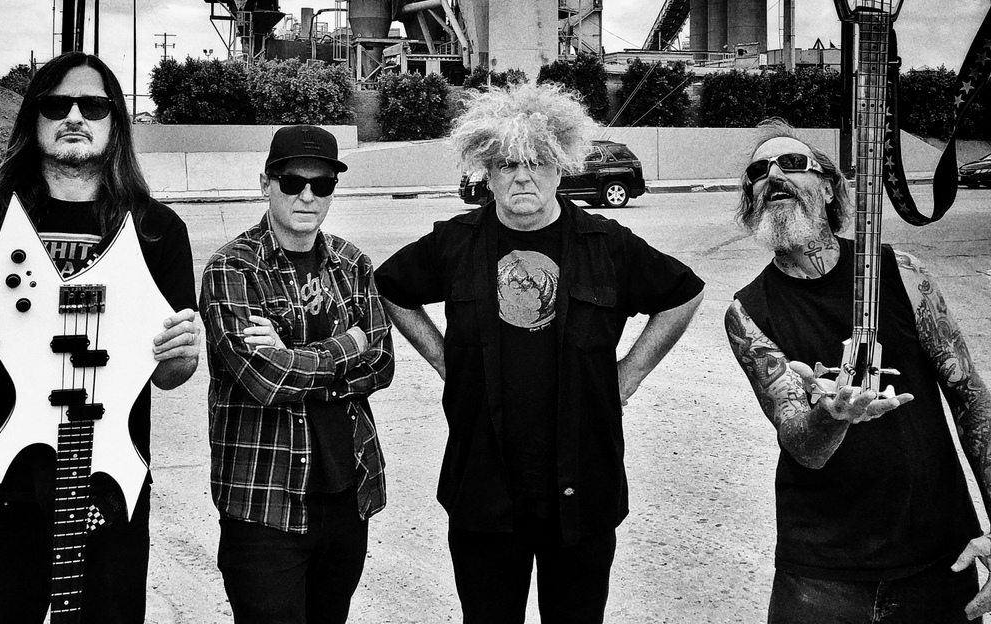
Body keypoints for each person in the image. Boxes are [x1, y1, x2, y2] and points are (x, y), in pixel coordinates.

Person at [375, 82, 704, 624]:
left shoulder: (607, 243)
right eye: (507, 164)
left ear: (561, 167)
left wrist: (629, 374)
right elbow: (391, 287)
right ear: (486, 171)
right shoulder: (454, 242)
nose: (522, 177)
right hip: (483, 489)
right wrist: (445, 360)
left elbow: (683, 294)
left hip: (582, 488)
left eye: (537, 162)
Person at [725, 117, 991, 624]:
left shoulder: (902, 274)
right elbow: (804, 446)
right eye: (758, 172)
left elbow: (971, 397)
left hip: (938, 554)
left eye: (792, 163)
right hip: (821, 572)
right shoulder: (748, 313)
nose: (773, 175)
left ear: (827, 188)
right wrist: (831, 416)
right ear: (751, 202)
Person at [0, 51, 200, 624]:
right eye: (57, 104)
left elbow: (171, 373)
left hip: (108, 480)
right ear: (34, 117)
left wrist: (183, 353)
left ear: (116, 121)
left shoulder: (158, 230)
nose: (74, 117)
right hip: (2, 481)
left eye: (93, 105)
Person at [200, 124, 394, 624]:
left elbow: (382, 363)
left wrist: (293, 355)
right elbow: (266, 381)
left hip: (347, 495)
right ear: (266, 183)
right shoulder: (232, 270)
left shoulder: (353, 264)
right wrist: (349, 345)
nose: (307, 196)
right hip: (264, 502)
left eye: (322, 184)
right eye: (292, 182)